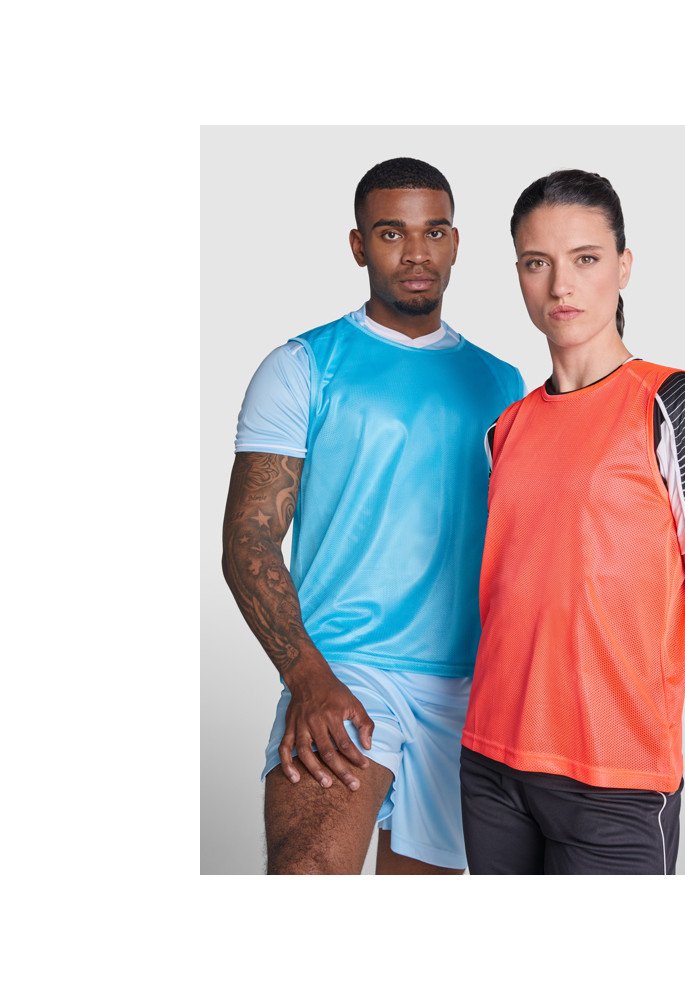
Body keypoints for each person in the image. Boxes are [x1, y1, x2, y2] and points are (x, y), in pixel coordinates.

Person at [222, 157, 524, 874]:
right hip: (347, 673)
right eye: (392, 233)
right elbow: (249, 538)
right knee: (309, 870)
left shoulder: (503, 383)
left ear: (455, 243)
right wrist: (308, 678)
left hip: (469, 692)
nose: (416, 252)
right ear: (359, 246)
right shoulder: (303, 365)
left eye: (434, 232)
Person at [459, 169, 685, 875]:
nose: (561, 285)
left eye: (585, 259)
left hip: (613, 772)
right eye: (537, 263)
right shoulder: (505, 429)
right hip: (491, 761)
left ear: (623, 266)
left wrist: (595, 666)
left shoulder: (681, 408)